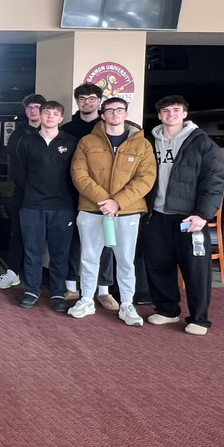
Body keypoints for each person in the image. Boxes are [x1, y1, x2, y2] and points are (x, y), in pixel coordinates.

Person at [68, 97, 156, 325]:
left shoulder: (142, 144)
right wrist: (103, 200)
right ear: (102, 114)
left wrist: (117, 202)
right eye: (110, 110)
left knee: (125, 260)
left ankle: (127, 304)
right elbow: (79, 174)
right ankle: (87, 299)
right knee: (88, 258)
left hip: (126, 211)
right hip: (91, 209)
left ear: (126, 113)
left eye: (119, 110)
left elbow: (146, 178)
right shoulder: (87, 141)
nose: (115, 114)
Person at [143, 95, 224, 335]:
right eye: (166, 110)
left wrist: (203, 214)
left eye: (176, 110)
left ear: (184, 114)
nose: (171, 114)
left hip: (190, 218)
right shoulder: (149, 143)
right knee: (159, 265)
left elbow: (214, 181)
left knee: (195, 269)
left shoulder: (202, 143)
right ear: (159, 115)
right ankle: (167, 311)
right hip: (156, 215)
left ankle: (199, 318)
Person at [16, 101, 78, 312]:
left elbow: (75, 174)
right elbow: (20, 173)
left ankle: (58, 292)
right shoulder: (26, 141)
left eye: (55, 114)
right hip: (32, 205)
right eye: (46, 113)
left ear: (61, 118)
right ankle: (31, 290)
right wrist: (33, 191)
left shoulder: (72, 142)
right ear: (40, 116)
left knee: (60, 252)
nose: (50, 116)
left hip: (62, 206)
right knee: (32, 251)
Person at [61, 83, 116, 304]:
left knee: (106, 242)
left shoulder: (107, 127)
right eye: (82, 99)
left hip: (103, 195)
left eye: (92, 98)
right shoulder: (65, 130)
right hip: (71, 193)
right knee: (72, 240)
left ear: (99, 101)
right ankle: (71, 286)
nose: (87, 102)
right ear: (77, 102)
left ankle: (103, 291)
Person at [0, 93, 46, 290]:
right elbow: (14, 164)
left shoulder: (51, 131)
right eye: (29, 108)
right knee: (17, 232)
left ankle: (36, 276)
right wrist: (28, 186)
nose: (33, 111)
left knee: (42, 236)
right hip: (23, 191)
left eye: (36, 107)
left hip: (47, 194)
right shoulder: (18, 134)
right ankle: (13, 272)